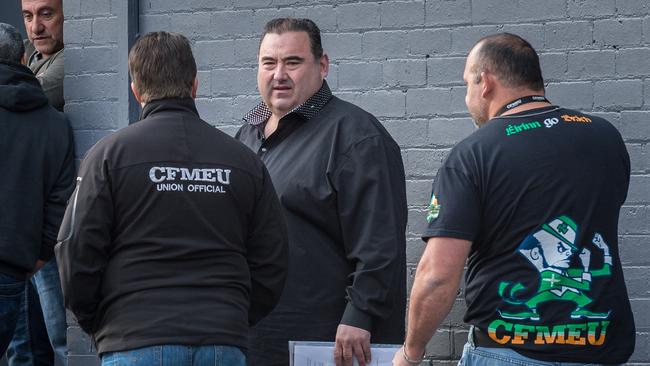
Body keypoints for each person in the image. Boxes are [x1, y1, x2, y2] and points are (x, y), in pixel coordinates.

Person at [392, 33, 635, 366]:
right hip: (600, 347)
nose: (467, 97)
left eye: (467, 84)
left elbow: (437, 274)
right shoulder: (605, 137)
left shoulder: (474, 154)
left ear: (486, 83)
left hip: (506, 351)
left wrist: (411, 352)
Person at [55, 31, 289, 366]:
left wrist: (99, 321)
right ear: (195, 85)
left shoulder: (108, 156)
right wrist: (232, 316)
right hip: (222, 340)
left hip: (134, 336)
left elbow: (74, 248)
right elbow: (273, 258)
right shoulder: (244, 161)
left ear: (136, 91)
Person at [236, 18, 407, 366]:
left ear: (323, 66)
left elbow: (380, 242)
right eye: (269, 63)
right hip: (257, 338)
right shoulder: (247, 135)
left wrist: (360, 315)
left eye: (293, 62)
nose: (278, 74)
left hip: (330, 342)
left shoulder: (357, 137)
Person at [0, 21, 74, 355]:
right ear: (21, 59)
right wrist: (39, 255)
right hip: (14, 268)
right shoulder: (55, 123)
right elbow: (60, 198)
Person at [22, 0, 64, 111]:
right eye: (28, 16)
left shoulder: (74, 58)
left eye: (46, 14)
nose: (35, 28)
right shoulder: (22, 47)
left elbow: (24, 99)